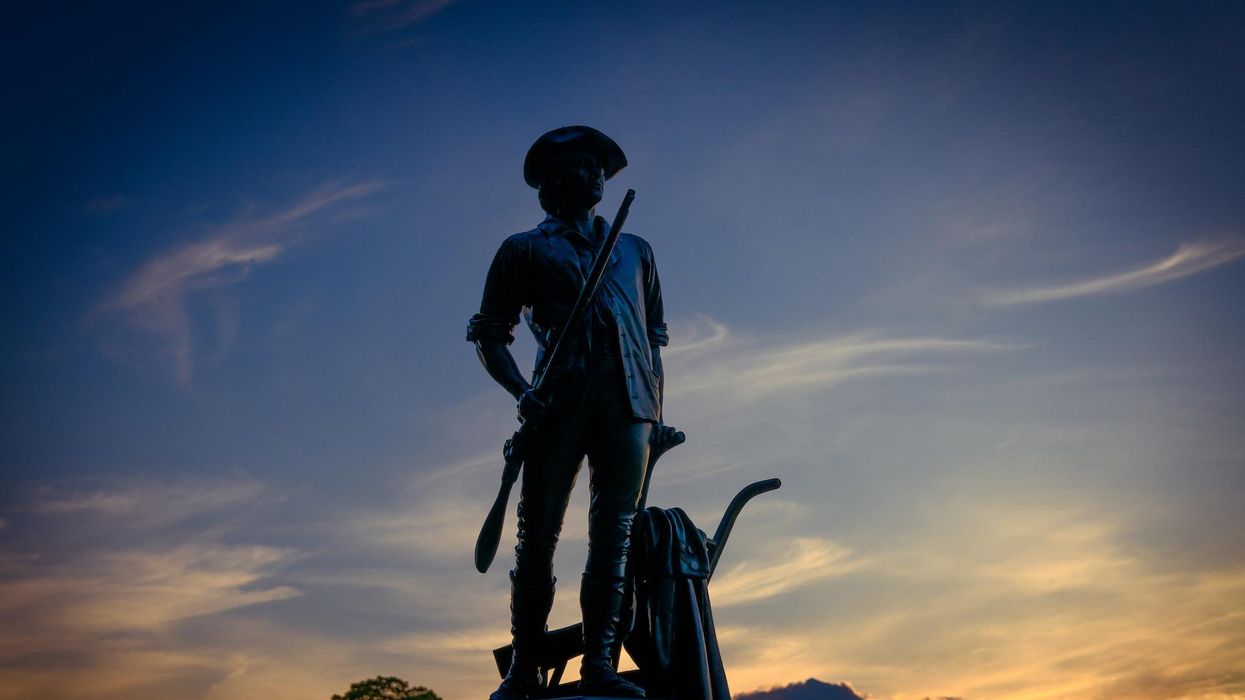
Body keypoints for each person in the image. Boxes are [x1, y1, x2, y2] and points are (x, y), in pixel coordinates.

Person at [467, 126, 669, 700]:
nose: (598, 174)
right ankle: (524, 669)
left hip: (629, 407)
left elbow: (653, 339)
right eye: (583, 164)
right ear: (554, 180)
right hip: (557, 406)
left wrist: (656, 413)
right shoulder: (524, 249)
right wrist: (519, 391)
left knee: (616, 538)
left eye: (600, 165)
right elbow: (488, 334)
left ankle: (599, 665)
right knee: (537, 539)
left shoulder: (637, 250)